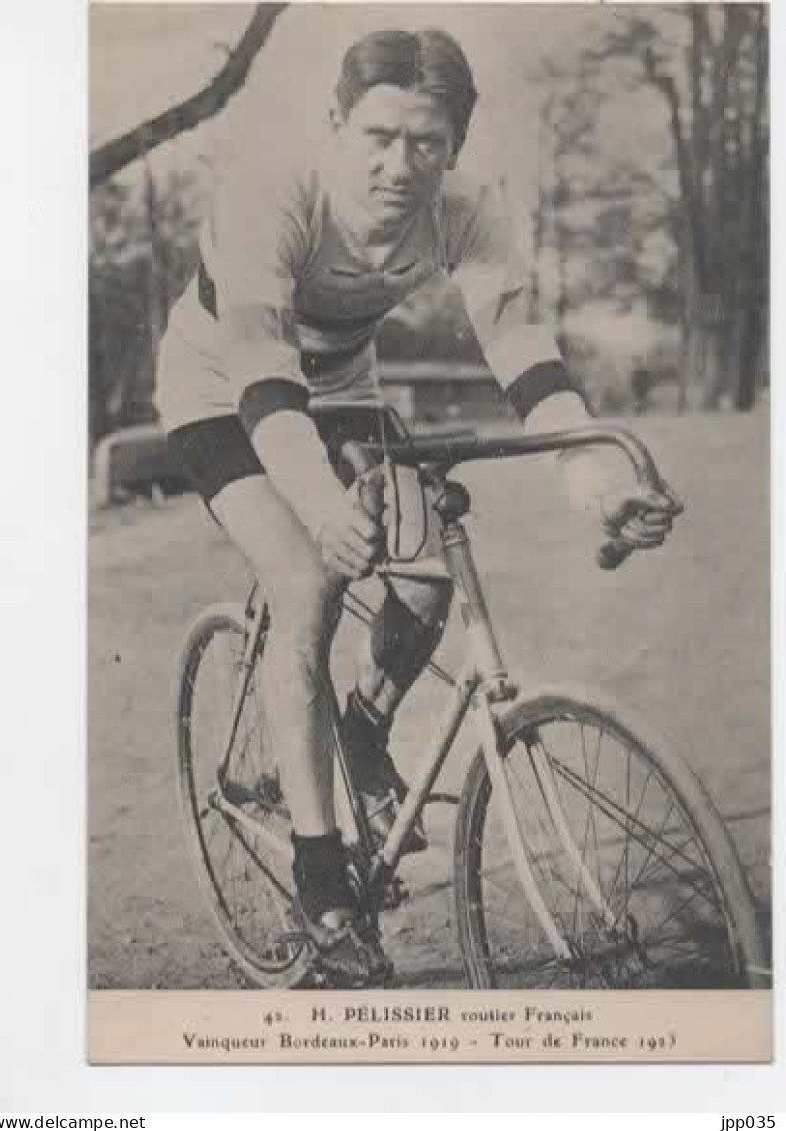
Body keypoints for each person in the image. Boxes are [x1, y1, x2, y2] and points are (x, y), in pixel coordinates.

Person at [156, 27, 677, 985]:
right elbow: (265, 383)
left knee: (431, 572)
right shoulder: (274, 190)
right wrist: (319, 506)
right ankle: (322, 874)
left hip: (344, 386)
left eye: (427, 143)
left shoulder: (466, 211)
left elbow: (527, 356)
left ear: (455, 147)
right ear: (338, 124)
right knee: (308, 578)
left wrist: (597, 481)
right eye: (380, 137)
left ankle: (362, 725)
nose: (401, 165)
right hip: (223, 387)